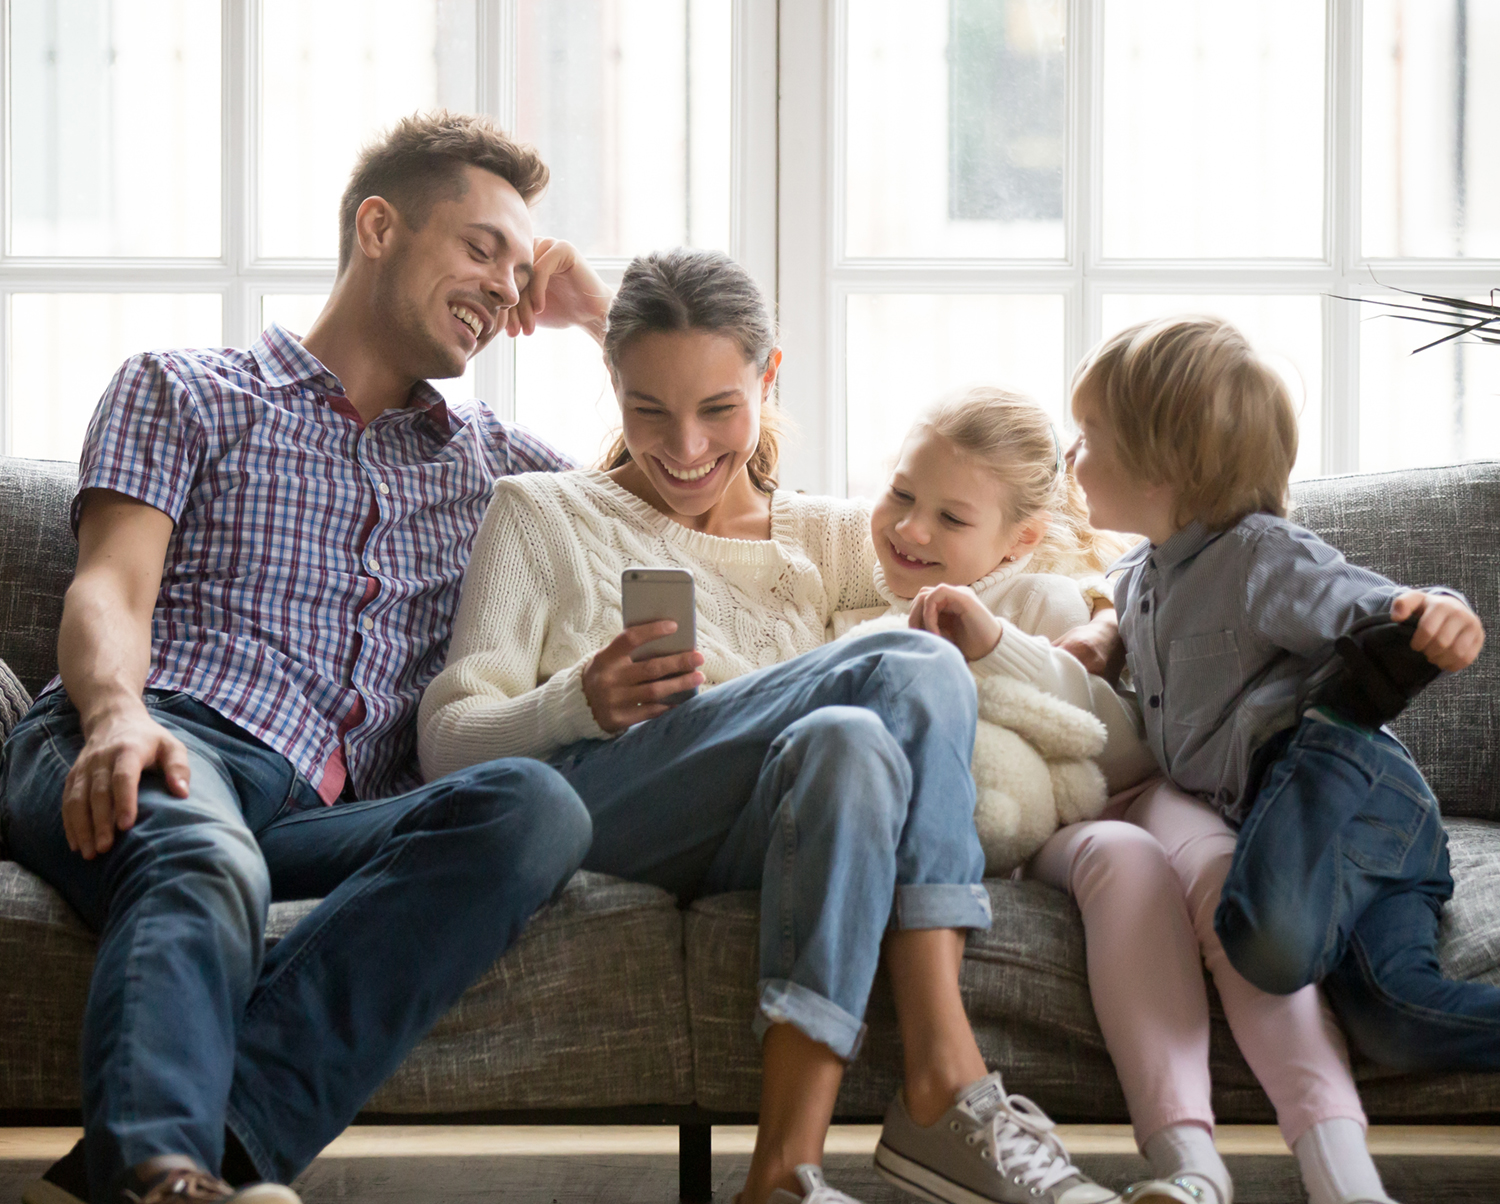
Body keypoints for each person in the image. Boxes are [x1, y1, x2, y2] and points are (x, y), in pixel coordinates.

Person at [418, 248, 1122, 1204]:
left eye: (719, 409)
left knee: (854, 741)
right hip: (610, 807)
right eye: (647, 410)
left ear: (769, 378)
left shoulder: (836, 537)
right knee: (907, 662)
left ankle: (783, 1173)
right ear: (612, 388)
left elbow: (995, 566)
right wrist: (577, 699)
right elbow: (446, 740)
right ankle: (948, 1084)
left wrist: (1111, 617)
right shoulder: (542, 514)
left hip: (764, 826)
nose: (686, 448)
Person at [0, 111, 613, 1204]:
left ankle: (186, 1166)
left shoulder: (497, 472)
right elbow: (112, 586)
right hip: (168, 734)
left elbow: (681, 489)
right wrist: (113, 714)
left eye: (521, 271)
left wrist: (603, 321)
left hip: (323, 819)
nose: (503, 286)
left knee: (534, 807)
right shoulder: (189, 389)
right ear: (379, 226)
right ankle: (161, 1173)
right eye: (481, 248)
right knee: (206, 855)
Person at [1065, 315, 1495, 1201]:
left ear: (1162, 468)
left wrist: (1442, 609)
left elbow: (1380, 609)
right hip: (1324, 841)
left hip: (1351, 798)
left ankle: (1339, 719)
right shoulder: (1139, 576)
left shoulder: (1261, 556)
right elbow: (1131, 637)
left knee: (1258, 940)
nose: (1072, 457)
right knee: (1397, 1023)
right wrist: (1100, 644)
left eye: (1089, 440)